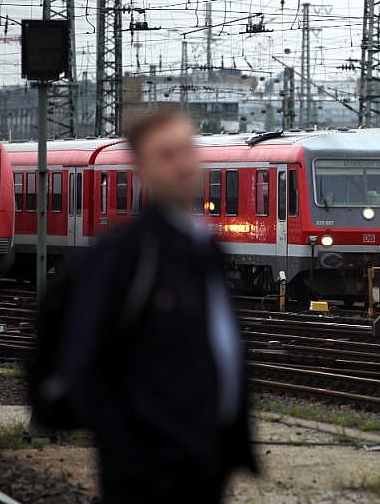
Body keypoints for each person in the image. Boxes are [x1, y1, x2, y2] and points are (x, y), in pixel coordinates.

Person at [56, 107, 255, 502]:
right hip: (147, 469)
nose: (181, 164)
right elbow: (81, 359)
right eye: (165, 155)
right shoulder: (123, 255)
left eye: (187, 150)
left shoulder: (206, 249)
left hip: (206, 462)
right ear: (141, 170)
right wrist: (127, 446)